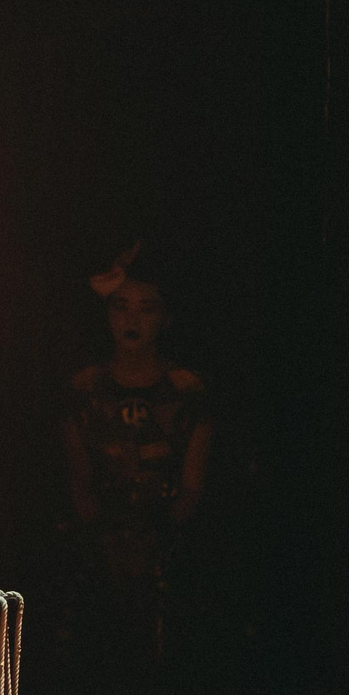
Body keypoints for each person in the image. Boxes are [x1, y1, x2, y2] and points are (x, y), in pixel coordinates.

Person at [63, 244, 210, 662]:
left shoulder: (185, 392)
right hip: (97, 559)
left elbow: (192, 487)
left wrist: (157, 546)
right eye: (121, 307)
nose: (131, 320)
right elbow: (80, 481)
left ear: (164, 317)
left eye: (146, 309)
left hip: (170, 556)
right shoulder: (85, 389)